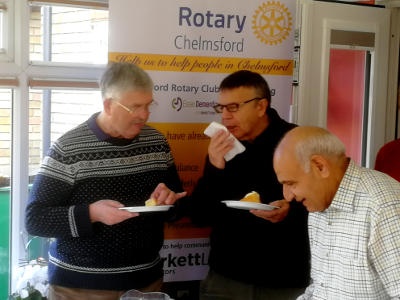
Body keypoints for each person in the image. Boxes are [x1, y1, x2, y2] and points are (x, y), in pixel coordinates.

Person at [25, 62, 187, 300]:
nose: (144, 115)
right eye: (135, 107)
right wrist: (91, 213)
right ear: (109, 105)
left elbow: (178, 206)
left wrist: (170, 200)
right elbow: (35, 219)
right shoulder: (69, 149)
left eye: (148, 105)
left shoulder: (157, 142)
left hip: (146, 284)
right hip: (79, 288)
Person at [188, 70, 310, 300]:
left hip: (284, 280)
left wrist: (290, 212)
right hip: (226, 280)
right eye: (221, 108)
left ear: (261, 106)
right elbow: (200, 215)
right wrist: (215, 166)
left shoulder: (298, 141)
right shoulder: (222, 146)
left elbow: (323, 206)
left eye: (233, 107)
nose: (225, 117)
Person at [273, 126, 400, 299]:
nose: (287, 196)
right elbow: (320, 288)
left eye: (291, 183)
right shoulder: (318, 203)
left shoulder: (384, 206)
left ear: (320, 166)